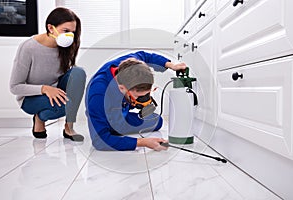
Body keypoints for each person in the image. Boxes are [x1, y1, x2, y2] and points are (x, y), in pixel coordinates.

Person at [9, 7, 86, 142]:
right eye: (66, 31)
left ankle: (69, 128)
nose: (70, 36)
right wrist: (45, 89)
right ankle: (39, 118)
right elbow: (15, 87)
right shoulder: (28, 48)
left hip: (55, 91)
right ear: (51, 28)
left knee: (78, 73)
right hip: (31, 98)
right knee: (66, 106)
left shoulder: (66, 47)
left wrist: (53, 89)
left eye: (72, 32)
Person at [86, 51, 186, 151]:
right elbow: (99, 141)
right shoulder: (98, 94)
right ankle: (114, 130)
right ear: (121, 88)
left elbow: (146, 56)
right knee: (108, 133)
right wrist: (142, 142)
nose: (145, 99)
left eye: (147, 94)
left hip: (122, 113)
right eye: (139, 96)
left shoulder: (131, 65)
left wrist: (172, 65)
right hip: (108, 116)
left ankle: (120, 126)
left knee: (157, 121)